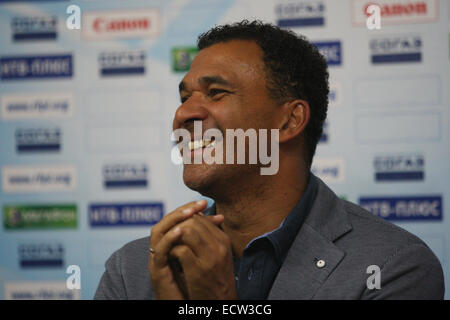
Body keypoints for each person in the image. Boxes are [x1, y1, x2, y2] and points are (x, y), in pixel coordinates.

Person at [94, 20, 444, 300]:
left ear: (289, 121)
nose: (184, 113)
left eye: (216, 93)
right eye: (184, 97)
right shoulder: (133, 269)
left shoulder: (393, 268)